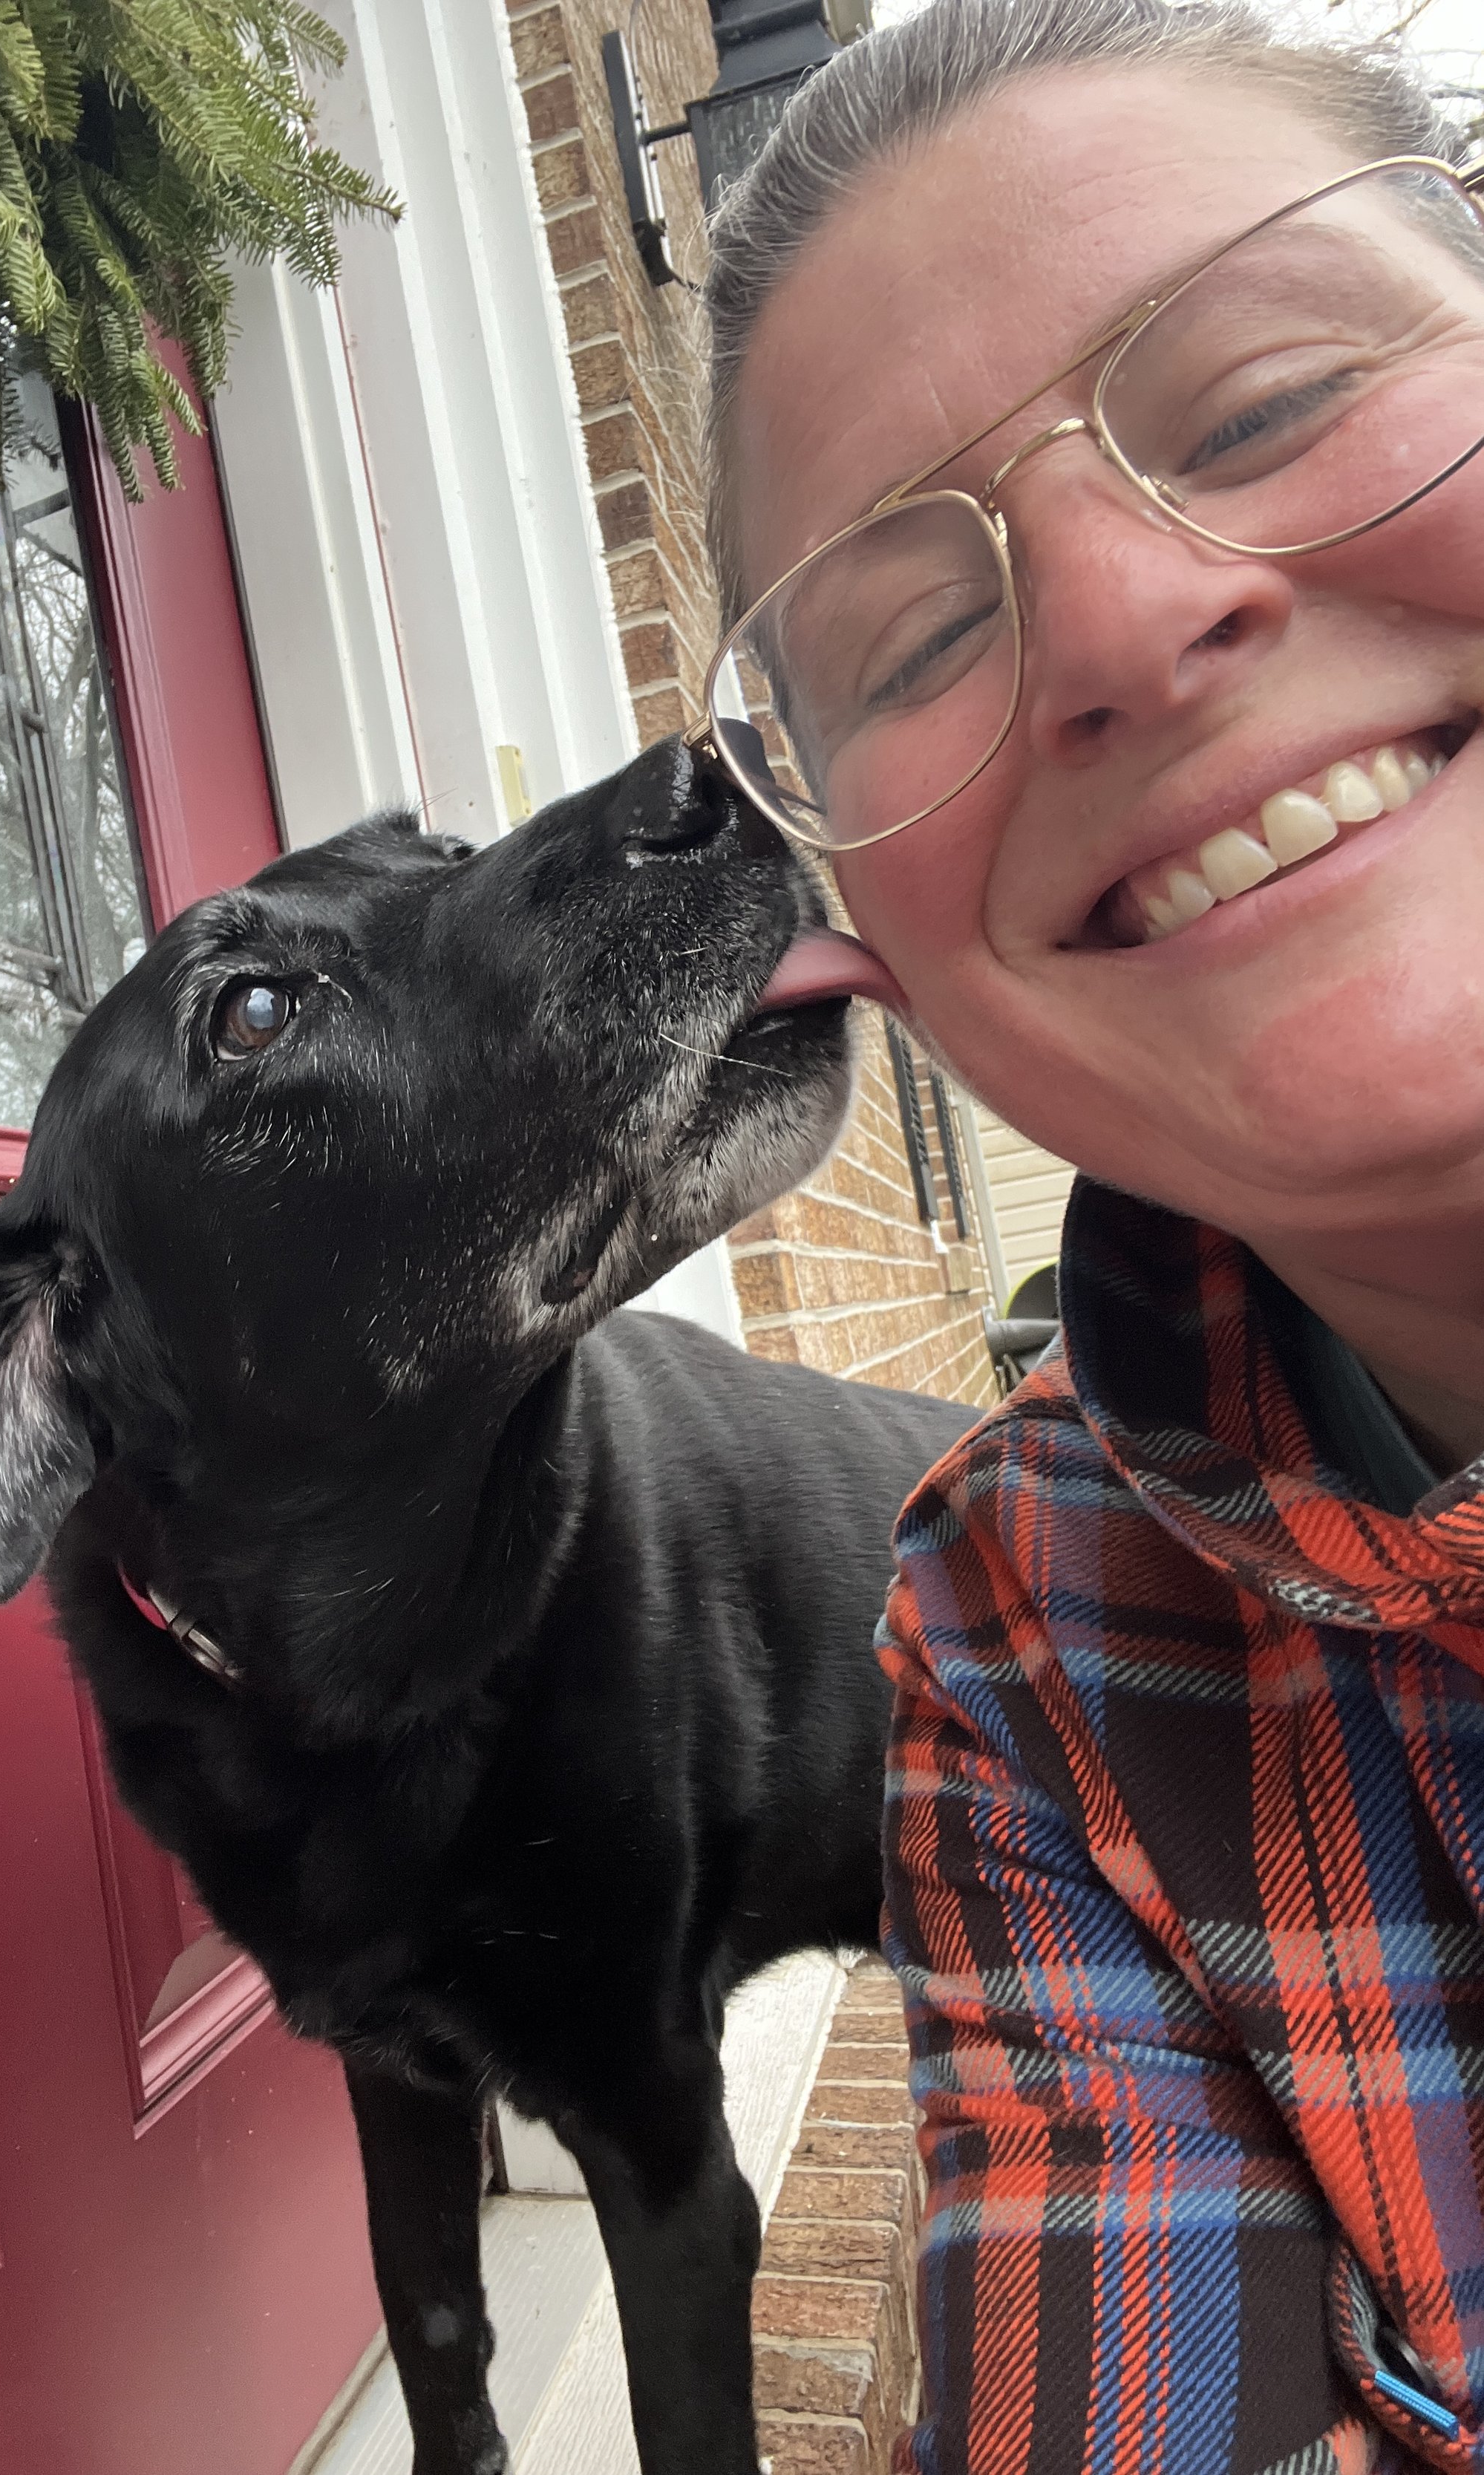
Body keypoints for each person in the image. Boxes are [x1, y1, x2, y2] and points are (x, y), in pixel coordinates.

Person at [697, 1, 1484, 2465]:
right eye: (913, 643)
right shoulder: (1021, 1621)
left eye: (1261, 405)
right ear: (868, 948)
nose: (1128, 620)